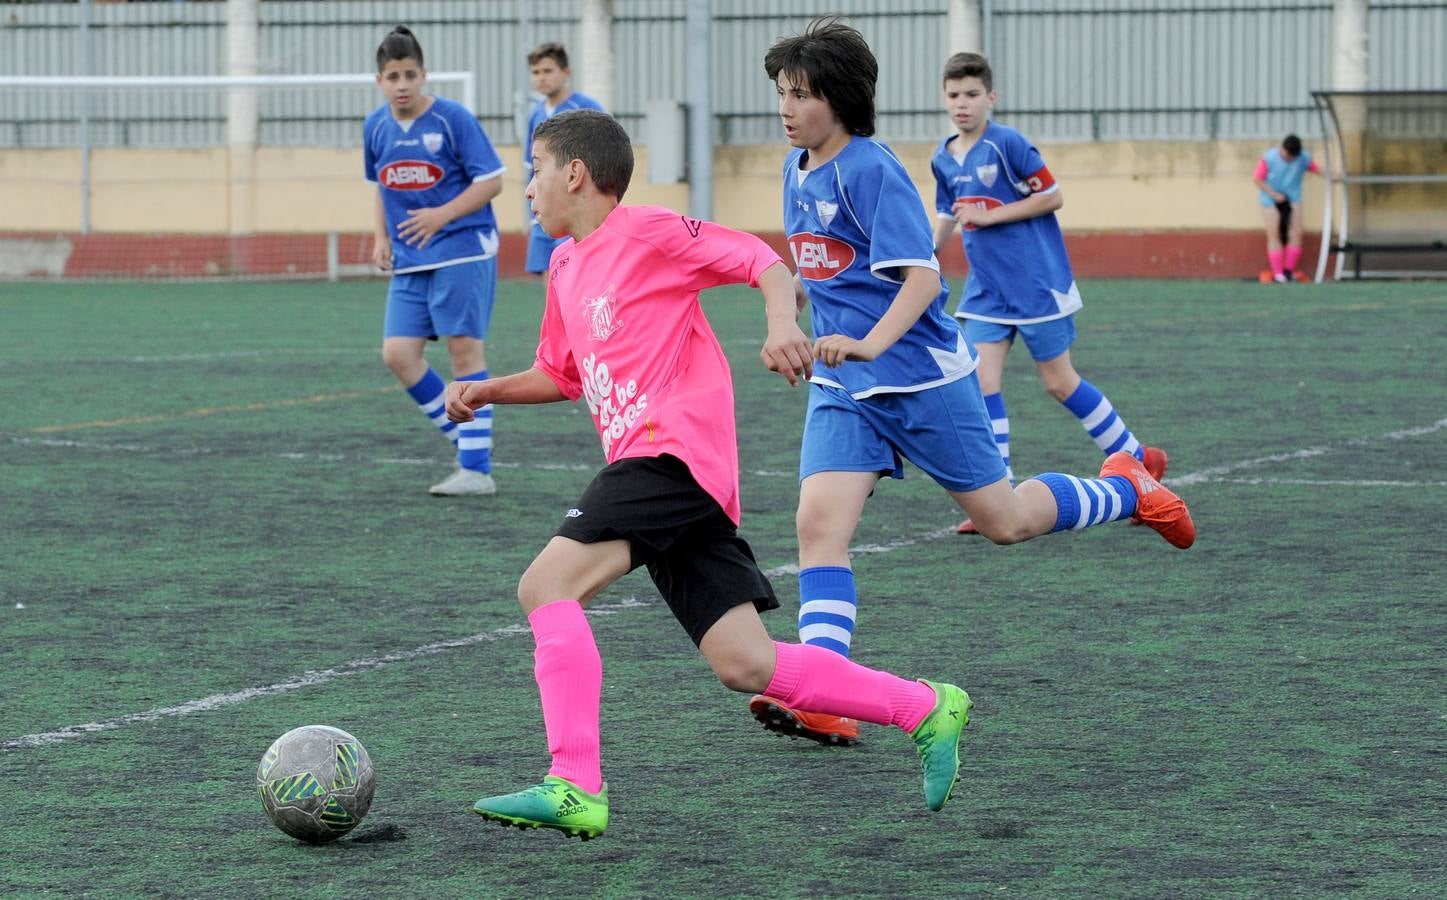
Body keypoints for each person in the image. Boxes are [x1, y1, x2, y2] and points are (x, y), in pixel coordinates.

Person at [445, 109, 972, 840]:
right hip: (670, 479)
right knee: (744, 663)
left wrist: (782, 322)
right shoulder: (564, 265)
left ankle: (573, 782)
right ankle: (925, 706)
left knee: (545, 585)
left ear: (574, 173)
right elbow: (560, 374)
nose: (526, 187)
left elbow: (764, 262)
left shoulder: (652, 233)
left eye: (533, 168)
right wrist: (487, 388)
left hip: (669, 454)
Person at [748, 20, 1195, 746]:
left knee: (1005, 522)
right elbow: (820, 261)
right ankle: (822, 690)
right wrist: (790, 305)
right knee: (817, 527)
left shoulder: (871, 169)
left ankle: (1127, 489)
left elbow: (922, 276)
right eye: (781, 93)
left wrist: (864, 342)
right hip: (846, 390)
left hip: (921, 380)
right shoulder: (796, 167)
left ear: (841, 98)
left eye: (800, 94)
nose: (786, 107)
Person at [928, 52, 1168, 535]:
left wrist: (992, 215)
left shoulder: (1008, 144)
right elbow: (949, 216)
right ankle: (1000, 496)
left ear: (990, 98)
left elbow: (1053, 196)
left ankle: (1140, 461)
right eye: (954, 95)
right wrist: (923, 258)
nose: (962, 103)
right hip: (986, 293)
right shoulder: (943, 156)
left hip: (1037, 285)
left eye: (972, 94)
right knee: (981, 382)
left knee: (1059, 382)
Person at [366, 25, 505, 496]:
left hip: (462, 249)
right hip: (409, 257)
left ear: (424, 75)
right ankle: (470, 440)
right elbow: (380, 189)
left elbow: (492, 181)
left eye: (409, 74)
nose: (401, 84)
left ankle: (476, 470)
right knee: (398, 355)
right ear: (379, 81)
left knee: (463, 353)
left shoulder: (452, 119)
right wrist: (381, 236)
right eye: (392, 76)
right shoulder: (376, 126)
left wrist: (440, 215)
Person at [522, 42, 604, 276]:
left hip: (577, 212)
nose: (541, 78)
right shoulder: (536, 114)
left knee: (580, 278)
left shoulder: (586, 108)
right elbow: (532, 169)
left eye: (548, 71)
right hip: (545, 212)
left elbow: (604, 160)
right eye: (536, 72)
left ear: (565, 73)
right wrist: (533, 212)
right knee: (551, 277)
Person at [1254, 133, 1321, 284]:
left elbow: (1316, 168)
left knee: (1296, 233)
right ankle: (1278, 274)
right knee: (1274, 234)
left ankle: (1288, 271)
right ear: (1282, 149)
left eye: (1292, 157)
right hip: (1271, 199)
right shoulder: (1269, 158)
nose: (1289, 159)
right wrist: (1274, 194)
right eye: (1287, 155)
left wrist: (1333, 175)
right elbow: (1257, 179)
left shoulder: (1302, 157)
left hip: (1293, 198)